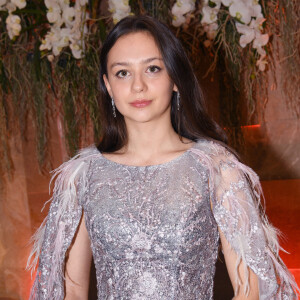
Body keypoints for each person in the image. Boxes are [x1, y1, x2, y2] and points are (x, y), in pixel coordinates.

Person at [27, 15, 299, 300]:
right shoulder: (82, 177)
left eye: (153, 69)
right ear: (108, 86)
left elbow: (249, 288)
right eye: (123, 73)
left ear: (176, 79)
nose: (138, 86)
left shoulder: (216, 169)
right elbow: (69, 290)